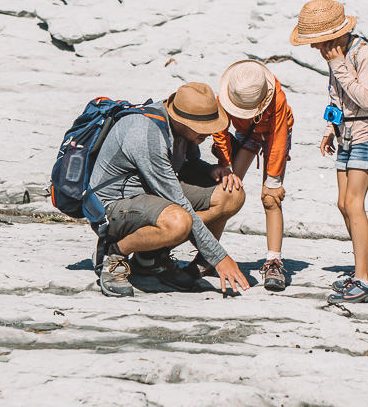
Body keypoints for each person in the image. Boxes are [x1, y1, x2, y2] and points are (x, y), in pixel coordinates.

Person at [89, 82, 250, 297]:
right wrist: (220, 257)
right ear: (181, 120)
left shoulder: (182, 130)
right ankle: (114, 255)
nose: (208, 134)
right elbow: (176, 198)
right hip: (115, 204)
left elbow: (185, 167)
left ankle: (149, 259)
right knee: (179, 221)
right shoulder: (146, 132)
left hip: (151, 192)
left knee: (231, 194)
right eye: (202, 129)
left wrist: (212, 169)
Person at [290, 0, 368, 304]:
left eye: (317, 42)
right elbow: (339, 98)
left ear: (333, 37)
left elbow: (366, 99)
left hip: (365, 135)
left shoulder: (362, 53)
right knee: (343, 203)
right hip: (345, 134)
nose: (315, 49)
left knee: (355, 204)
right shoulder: (340, 56)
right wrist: (329, 129)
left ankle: (365, 281)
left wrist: (339, 65)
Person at [211, 60, 295, 291]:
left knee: (270, 198)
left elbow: (278, 136)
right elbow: (220, 130)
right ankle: (210, 254)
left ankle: (274, 261)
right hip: (246, 132)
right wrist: (225, 164)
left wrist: (273, 180)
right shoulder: (228, 93)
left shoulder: (276, 98)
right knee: (227, 190)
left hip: (275, 131)